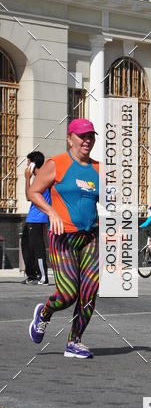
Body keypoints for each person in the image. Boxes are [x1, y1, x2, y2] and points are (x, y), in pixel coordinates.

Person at [26, 119, 100, 359]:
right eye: (82, 136)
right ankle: (44, 313)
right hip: (62, 237)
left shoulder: (100, 169)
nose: (87, 140)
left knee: (90, 292)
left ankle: (74, 341)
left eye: (91, 136)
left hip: (90, 237)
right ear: (70, 139)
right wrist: (51, 212)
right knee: (68, 294)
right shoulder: (56, 164)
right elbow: (33, 192)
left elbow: (111, 202)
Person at [21, 151, 50, 284]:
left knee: (37, 248)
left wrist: (27, 178)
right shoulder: (37, 178)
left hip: (38, 219)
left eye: (28, 163)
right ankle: (32, 275)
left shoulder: (41, 178)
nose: (27, 166)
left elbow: (29, 196)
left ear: (33, 164)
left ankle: (43, 277)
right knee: (27, 247)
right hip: (31, 218)